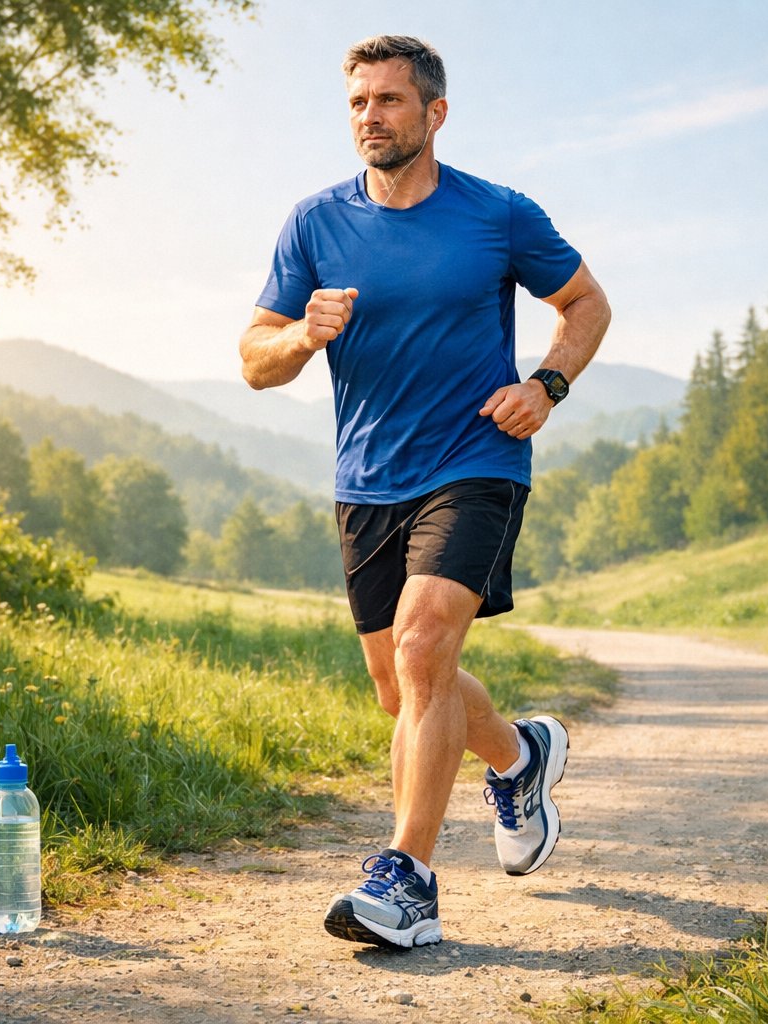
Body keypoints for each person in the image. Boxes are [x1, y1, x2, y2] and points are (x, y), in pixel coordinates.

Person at [238, 34, 610, 950]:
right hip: (367, 479)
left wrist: (545, 387)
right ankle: (520, 755)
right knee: (399, 686)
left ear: (435, 113)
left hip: (477, 459)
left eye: (389, 100)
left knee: (423, 644)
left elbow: (586, 303)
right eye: (358, 102)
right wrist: (301, 337)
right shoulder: (313, 224)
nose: (370, 117)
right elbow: (254, 361)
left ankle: (408, 880)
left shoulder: (499, 214)